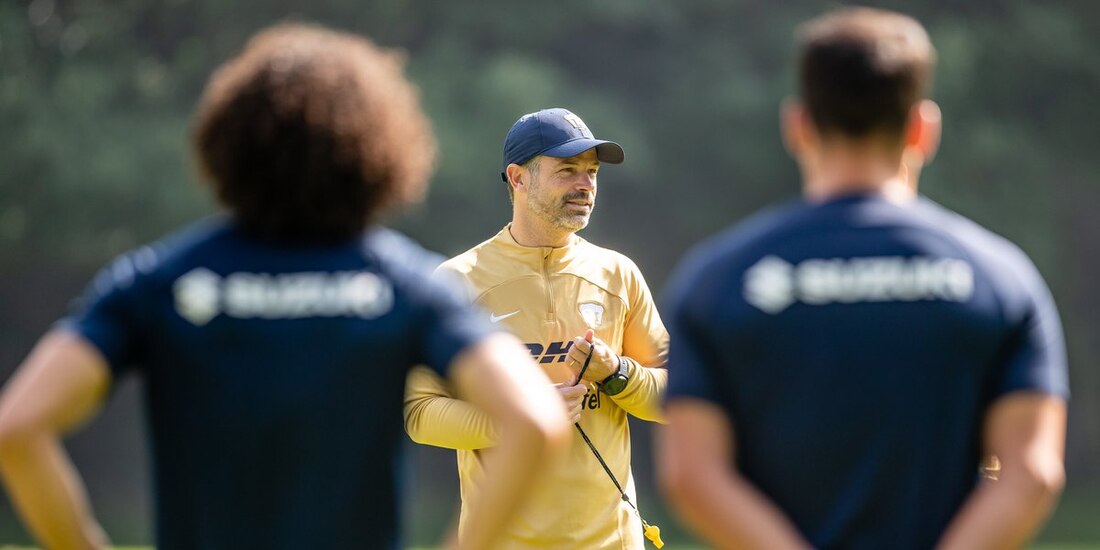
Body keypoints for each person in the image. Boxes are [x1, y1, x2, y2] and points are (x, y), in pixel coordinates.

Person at [0, 24, 571, 550]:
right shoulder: (407, 286)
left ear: (226, 145)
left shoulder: (154, 282)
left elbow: (17, 428)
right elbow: (534, 421)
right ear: (378, 151)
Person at [657, 7, 1068, 550]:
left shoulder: (717, 280)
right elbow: (1031, 471)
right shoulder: (998, 278)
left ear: (798, 126)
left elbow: (692, 474)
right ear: (924, 128)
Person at [404, 108, 669, 549]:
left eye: (592, 172)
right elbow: (420, 414)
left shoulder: (618, 274)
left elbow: (674, 399)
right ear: (518, 178)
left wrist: (619, 374)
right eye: (567, 171)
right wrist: (523, 420)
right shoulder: (457, 281)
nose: (585, 185)